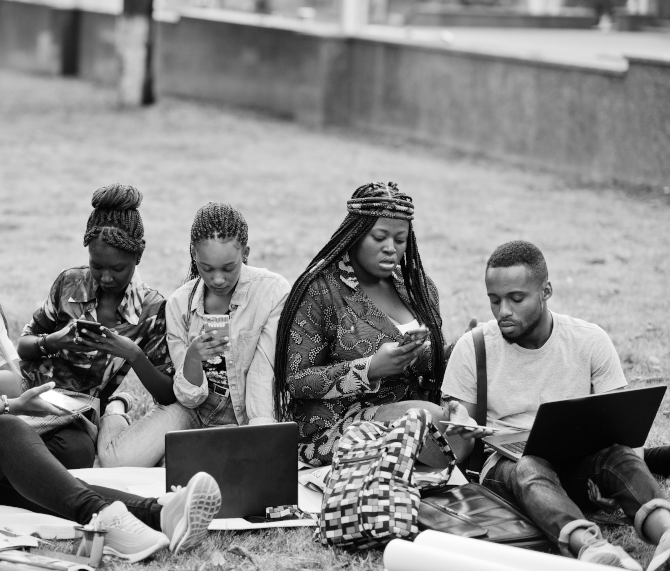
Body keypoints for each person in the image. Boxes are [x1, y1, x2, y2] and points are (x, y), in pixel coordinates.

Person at [0, 214, 221, 562]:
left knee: (50, 484)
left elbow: (13, 379)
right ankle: (102, 521)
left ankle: (158, 513)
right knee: (5, 432)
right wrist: (9, 407)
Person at [442, 240, 670, 571]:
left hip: (577, 467)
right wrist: (458, 424)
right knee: (528, 464)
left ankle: (665, 534)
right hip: (508, 471)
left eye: (516, 299)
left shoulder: (589, 341)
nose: (503, 311)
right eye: (495, 300)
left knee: (618, 456)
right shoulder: (474, 347)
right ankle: (591, 549)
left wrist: (616, 477)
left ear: (546, 290)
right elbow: (458, 454)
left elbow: (625, 434)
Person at [274, 181, 468, 467]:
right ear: (356, 234)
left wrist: (463, 348)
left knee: (461, 429)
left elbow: (424, 364)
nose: (391, 248)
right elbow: (296, 380)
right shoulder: (320, 290)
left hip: (412, 411)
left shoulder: (420, 289)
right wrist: (370, 369)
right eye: (379, 237)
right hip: (336, 428)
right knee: (431, 423)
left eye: (400, 240)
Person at [95, 202, 291, 467]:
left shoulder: (271, 292)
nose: (218, 279)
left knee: (218, 468)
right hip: (194, 411)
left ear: (245, 253)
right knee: (117, 461)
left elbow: (262, 374)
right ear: (194, 255)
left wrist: (257, 435)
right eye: (206, 268)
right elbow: (189, 397)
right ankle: (116, 409)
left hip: (247, 412)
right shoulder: (179, 304)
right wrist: (193, 358)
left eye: (228, 268)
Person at [16, 185, 176, 470]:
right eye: (96, 265)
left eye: (118, 268)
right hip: (31, 391)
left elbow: (168, 395)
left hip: (78, 411)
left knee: (74, 453)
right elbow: (24, 346)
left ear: (138, 257)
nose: (106, 277)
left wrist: (133, 354)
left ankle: (116, 405)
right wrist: (55, 341)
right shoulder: (69, 283)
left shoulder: (152, 309)